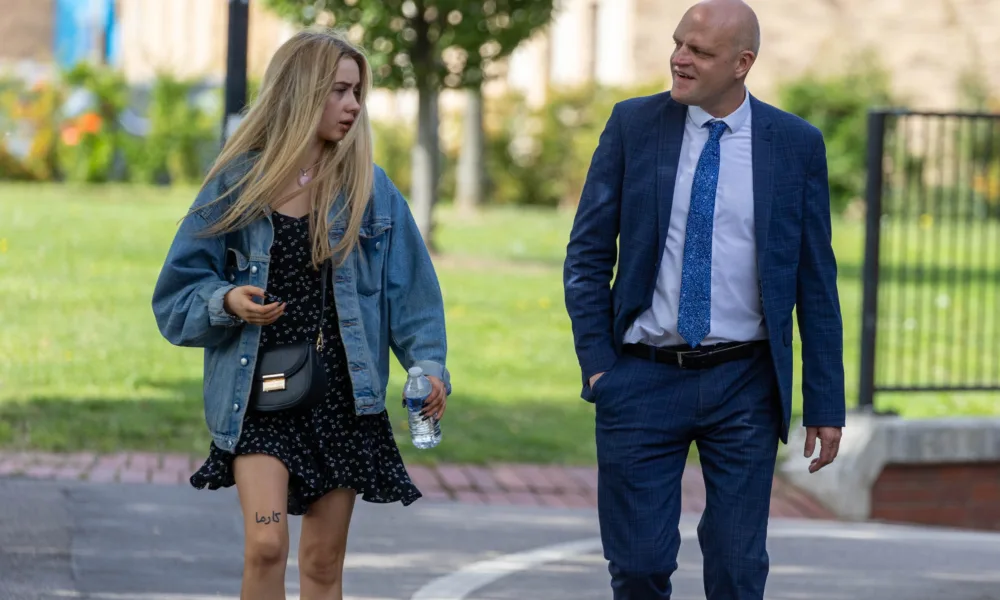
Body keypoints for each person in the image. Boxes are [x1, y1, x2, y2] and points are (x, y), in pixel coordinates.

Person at [151, 30, 450, 600]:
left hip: (342, 400)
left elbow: (412, 296)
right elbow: (176, 295)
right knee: (266, 546)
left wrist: (429, 366)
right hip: (259, 395)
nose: (353, 105)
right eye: (339, 90)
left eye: (357, 91)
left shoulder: (370, 190)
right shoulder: (237, 184)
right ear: (301, 93)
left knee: (321, 563)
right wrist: (227, 301)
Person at [563, 1, 845, 598]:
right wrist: (598, 364)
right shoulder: (633, 126)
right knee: (638, 566)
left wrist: (825, 402)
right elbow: (587, 255)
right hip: (639, 377)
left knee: (739, 571)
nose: (678, 59)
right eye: (677, 43)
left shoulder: (794, 145)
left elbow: (815, 281)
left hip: (743, 381)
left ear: (743, 63)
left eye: (699, 52)